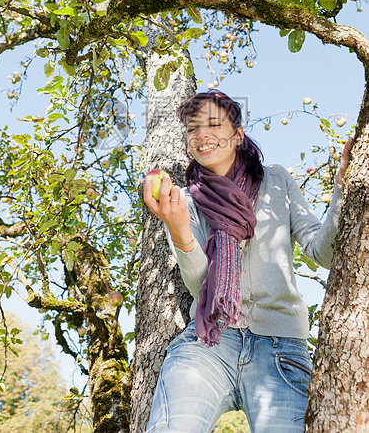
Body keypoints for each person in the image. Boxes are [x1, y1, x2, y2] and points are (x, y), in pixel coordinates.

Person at [143, 90, 352, 433]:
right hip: (210, 342)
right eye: (193, 128)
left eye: (213, 123)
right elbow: (199, 285)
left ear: (237, 135)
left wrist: (343, 189)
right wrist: (179, 229)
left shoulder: (278, 181)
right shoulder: (183, 201)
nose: (202, 135)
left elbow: (322, 252)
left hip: (280, 348)